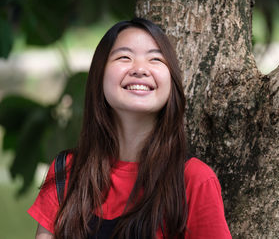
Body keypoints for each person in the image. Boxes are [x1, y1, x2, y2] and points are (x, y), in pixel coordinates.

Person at [28, 18, 231, 239]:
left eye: (156, 59)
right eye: (124, 57)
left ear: (171, 82)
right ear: (99, 75)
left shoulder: (194, 180)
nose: (140, 69)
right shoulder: (67, 172)